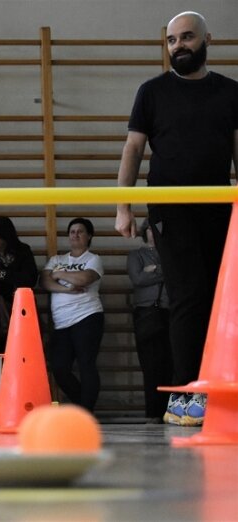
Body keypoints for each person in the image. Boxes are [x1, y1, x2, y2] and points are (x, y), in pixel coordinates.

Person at [114, 11, 238, 426]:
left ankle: (220, 384)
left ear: (206, 40)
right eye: (171, 40)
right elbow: (133, 149)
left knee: (220, 301)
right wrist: (123, 207)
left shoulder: (229, 92)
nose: (178, 46)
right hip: (171, 208)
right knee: (188, 296)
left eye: (186, 38)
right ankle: (187, 393)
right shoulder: (152, 92)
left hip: (220, 207)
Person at [41, 218, 104, 412]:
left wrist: (59, 275)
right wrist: (68, 289)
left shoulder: (93, 259)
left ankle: (85, 410)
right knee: (59, 367)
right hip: (61, 323)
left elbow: (85, 278)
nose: (75, 235)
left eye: (80, 231)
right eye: (72, 231)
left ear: (89, 236)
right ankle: (82, 407)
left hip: (88, 316)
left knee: (87, 365)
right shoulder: (57, 259)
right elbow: (45, 282)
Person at [127, 219, 173, 422]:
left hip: (170, 312)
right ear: (145, 232)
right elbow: (138, 279)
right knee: (151, 366)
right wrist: (162, 272)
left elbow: (174, 276)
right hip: (147, 313)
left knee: (172, 363)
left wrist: (153, 270)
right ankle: (153, 413)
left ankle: (171, 411)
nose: (154, 233)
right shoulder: (136, 255)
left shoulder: (171, 253)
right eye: (151, 229)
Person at [0, 216, 39, 353]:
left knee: (23, 351)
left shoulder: (23, 251)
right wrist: (13, 278)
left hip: (22, 311)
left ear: (4, 235)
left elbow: (30, 279)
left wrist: (2, 275)